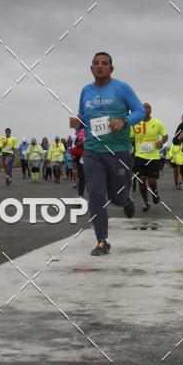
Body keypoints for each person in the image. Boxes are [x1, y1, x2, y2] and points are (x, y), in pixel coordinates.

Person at [69, 52, 145, 256]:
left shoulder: (122, 88)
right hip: (93, 150)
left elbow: (140, 111)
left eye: (104, 63)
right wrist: (78, 124)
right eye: (96, 63)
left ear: (111, 68)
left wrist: (124, 121)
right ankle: (102, 240)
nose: (100, 66)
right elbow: (84, 119)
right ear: (91, 68)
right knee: (95, 194)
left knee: (117, 197)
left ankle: (126, 201)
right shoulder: (86, 91)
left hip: (118, 151)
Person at [130, 102, 168, 212]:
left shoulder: (157, 123)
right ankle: (146, 202)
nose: (146, 109)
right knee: (141, 180)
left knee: (151, 181)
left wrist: (161, 142)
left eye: (148, 107)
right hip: (139, 156)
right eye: (143, 107)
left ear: (151, 110)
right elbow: (130, 137)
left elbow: (165, 136)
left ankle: (155, 193)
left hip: (153, 156)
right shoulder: (135, 124)